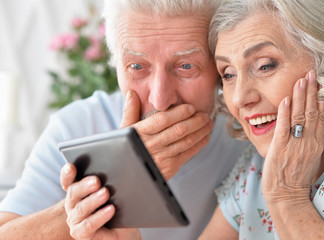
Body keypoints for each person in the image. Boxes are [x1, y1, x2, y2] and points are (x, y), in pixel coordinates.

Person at [0, 0, 251, 239]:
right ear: (116, 64)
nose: (160, 99)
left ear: (220, 70)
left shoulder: (250, 137)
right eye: (137, 67)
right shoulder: (78, 125)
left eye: (186, 66)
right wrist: (117, 178)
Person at [198, 0, 324, 239]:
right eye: (228, 74)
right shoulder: (255, 171)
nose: (240, 97)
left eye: (265, 66)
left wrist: (287, 198)